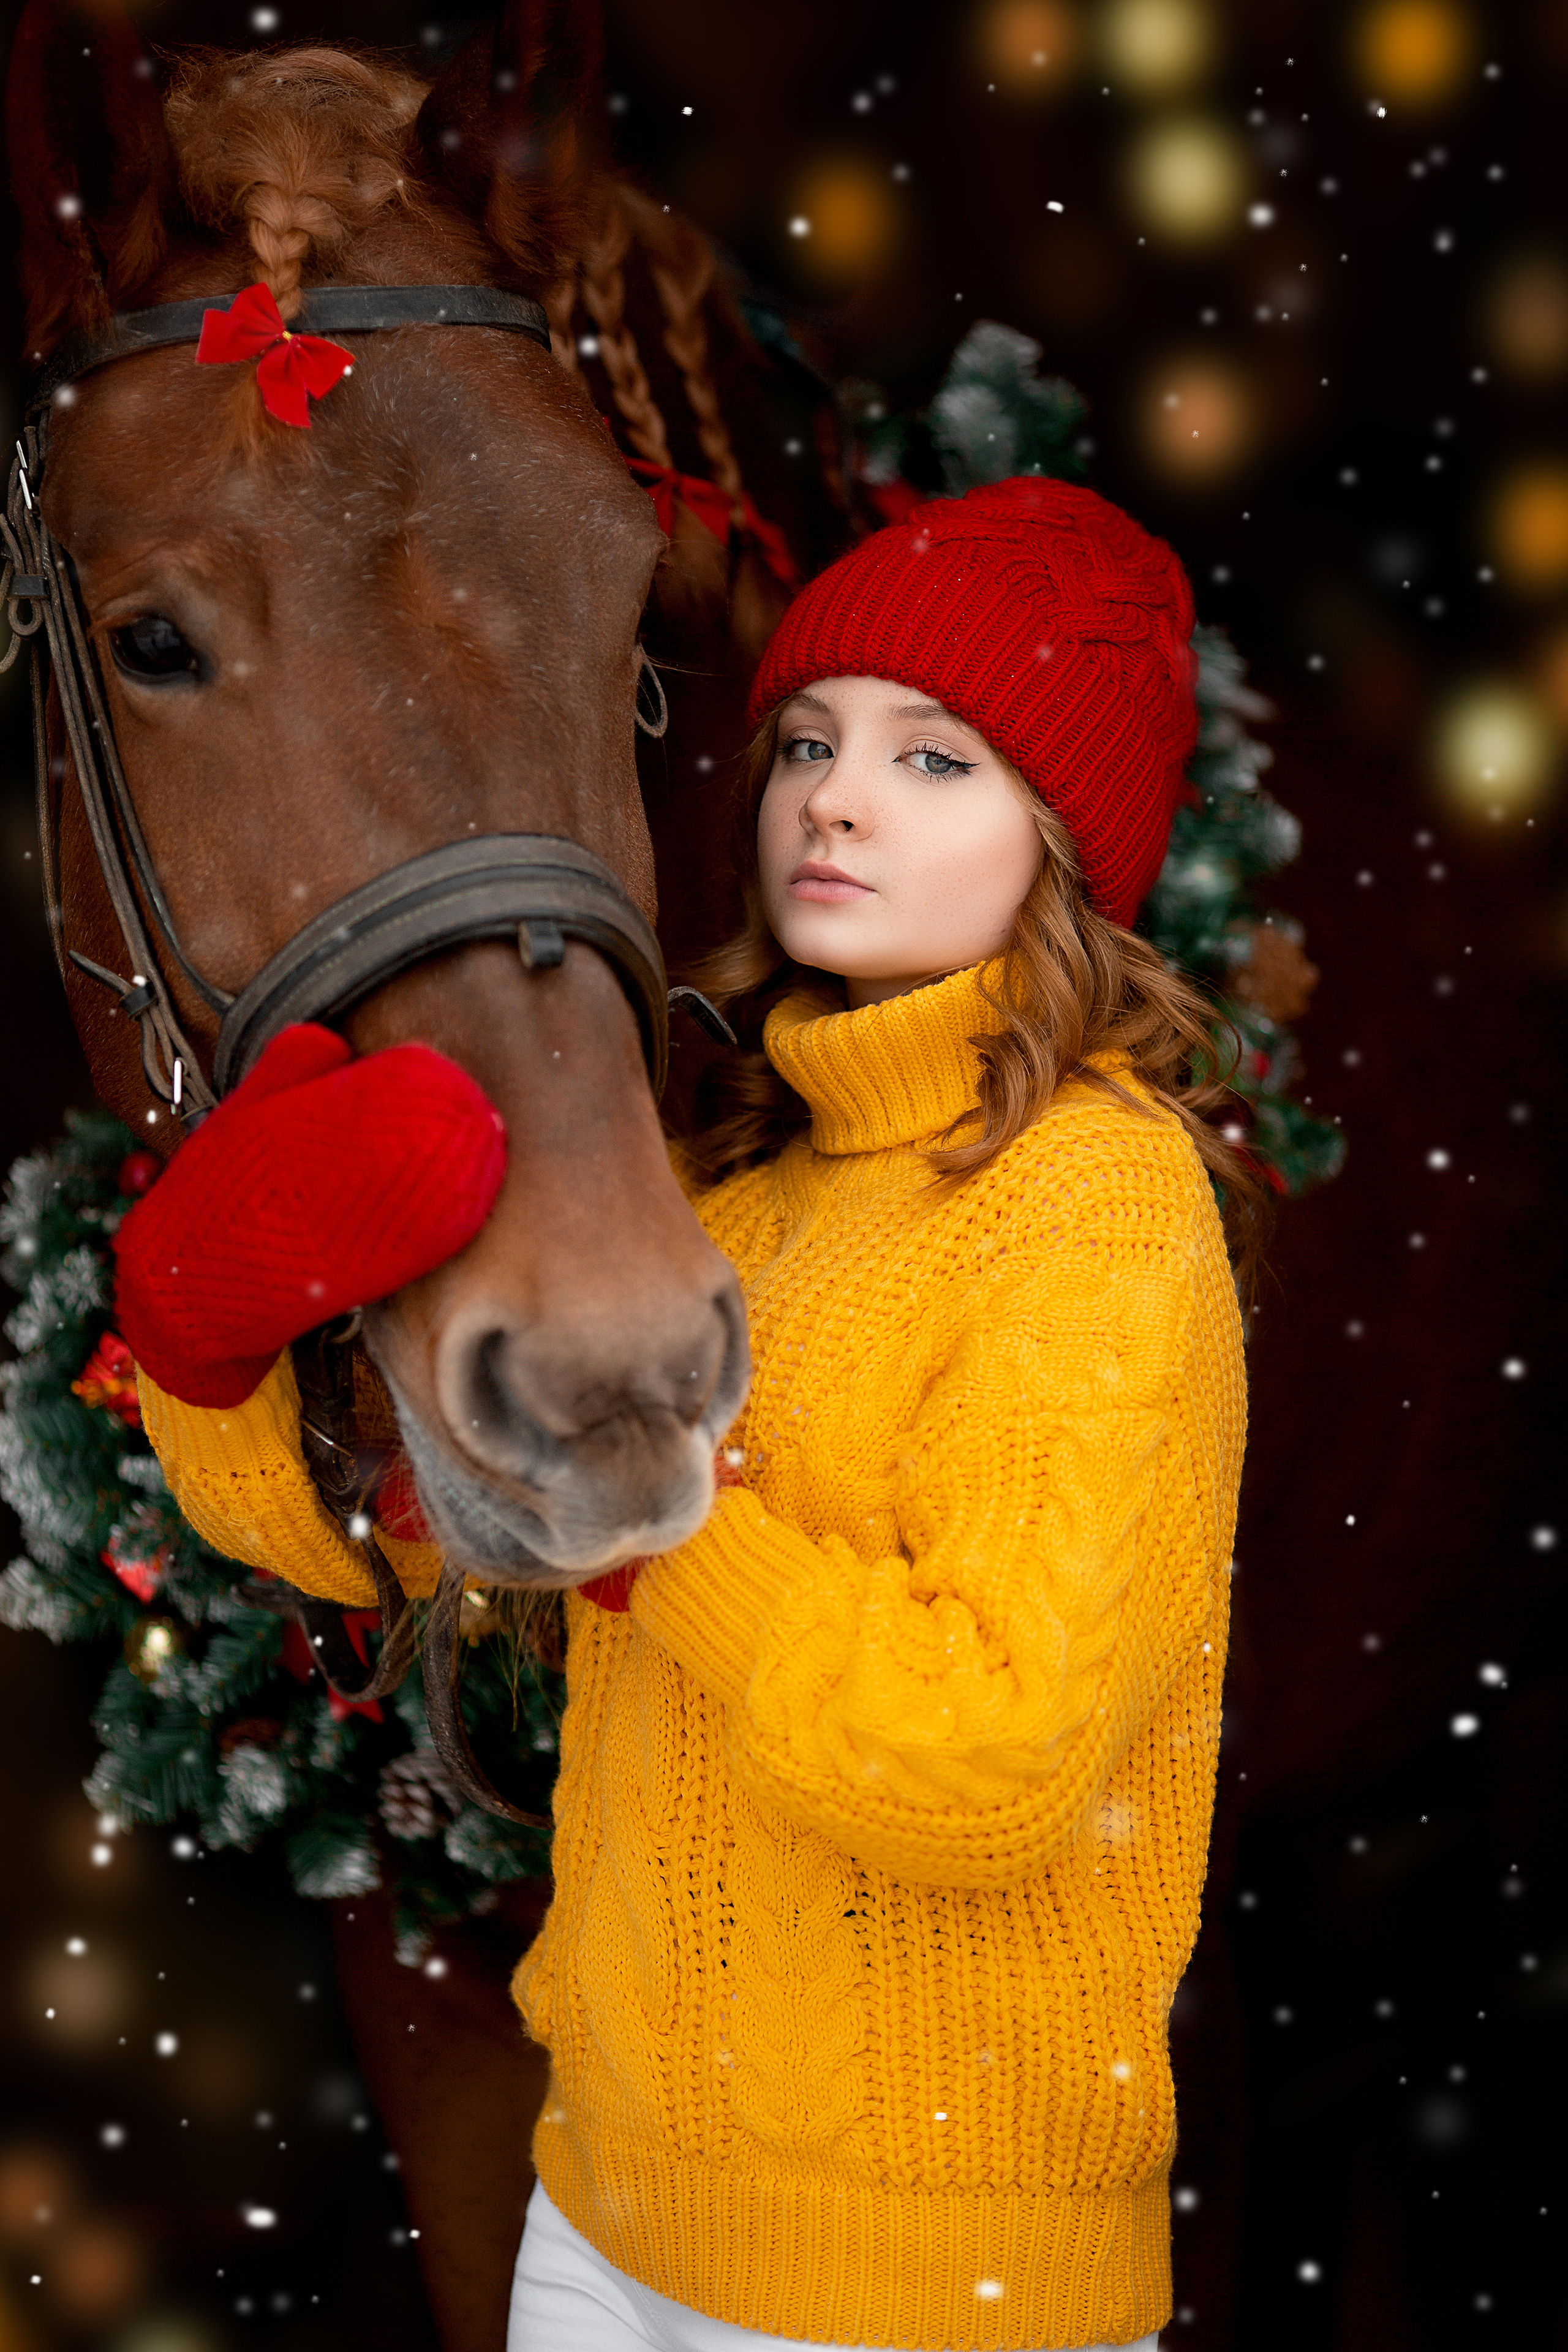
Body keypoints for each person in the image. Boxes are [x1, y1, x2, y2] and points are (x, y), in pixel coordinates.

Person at [119, 477, 1257, 2352]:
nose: (836, 795)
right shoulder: (726, 1195)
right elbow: (403, 1536)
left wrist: (661, 1519)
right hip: (606, 2210)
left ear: (1068, 840)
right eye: (809, 740)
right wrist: (201, 1353)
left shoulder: (1097, 1204)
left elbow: (993, 1762)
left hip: (927, 2281)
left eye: (937, 758)